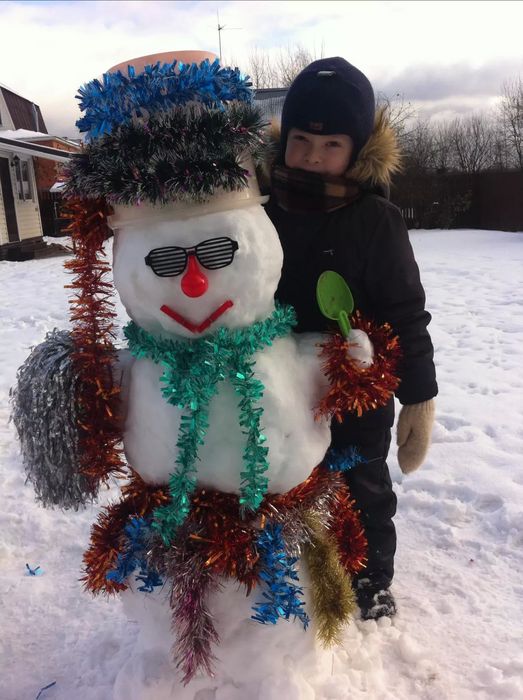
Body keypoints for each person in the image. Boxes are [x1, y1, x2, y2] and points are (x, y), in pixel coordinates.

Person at [265, 57, 438, 620]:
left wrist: (419, 394)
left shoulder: (376, 219)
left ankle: (369, 580)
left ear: (358, 149)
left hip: (357, 387)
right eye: (301, 139)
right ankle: (281, 572)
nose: (313, 155)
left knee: (360, 483)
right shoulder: (260, 212)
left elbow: (406, 311)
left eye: (331, 142)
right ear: (284, 139)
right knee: (280, 477)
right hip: (278, 382)